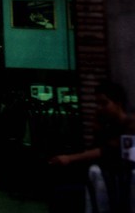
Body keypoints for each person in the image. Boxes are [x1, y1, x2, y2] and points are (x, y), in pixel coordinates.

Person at [48, 80, 135, 213]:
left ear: (118, 103)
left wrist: (69, 158)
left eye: (104, 103)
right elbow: (96, 148)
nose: (99, 108)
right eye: (97, 104)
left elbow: (106, 150)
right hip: (104, 175)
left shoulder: (130, 124)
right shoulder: (106, 123)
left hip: (123, 179)